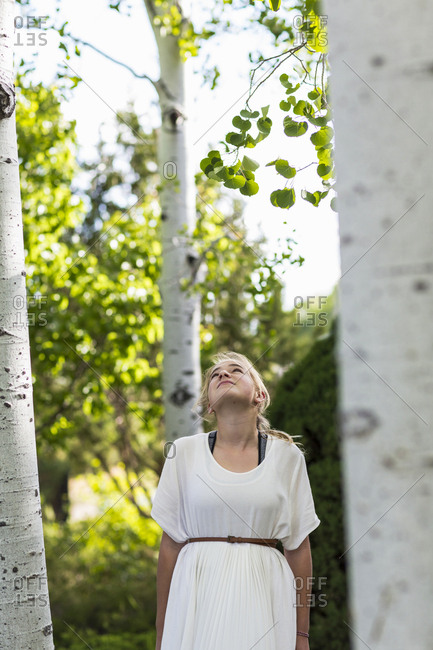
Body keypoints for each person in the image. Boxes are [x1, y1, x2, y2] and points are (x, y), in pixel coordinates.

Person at [151, 351, 321, 650]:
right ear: (209, 405)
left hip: (266, 595)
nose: (222, 374)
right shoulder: (183, 452)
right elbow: (170, 546)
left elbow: (298, 548)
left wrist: (301, 635)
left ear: (260, 395)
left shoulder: (287, 456)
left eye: (235, 370)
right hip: (196, 596)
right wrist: (163, 631)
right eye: (215, 374)